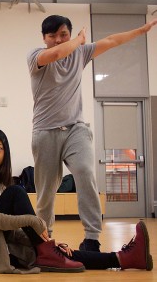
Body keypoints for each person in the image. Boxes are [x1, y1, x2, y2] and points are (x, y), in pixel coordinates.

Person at [27, 15, 157, 252]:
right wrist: (77, 40)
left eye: (63, 34)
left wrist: (141, 30)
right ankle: (45, 238)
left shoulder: (80, 52)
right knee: (46, 190)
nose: (57, 40)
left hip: (76, 128)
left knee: (86, 172)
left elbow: (112, 41)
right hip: (45, 131)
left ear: (70, 33)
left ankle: (91, 237)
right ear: (43, 38)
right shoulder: (36, 56)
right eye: (52, 36)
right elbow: (56, 54)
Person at [0, 127, 153, 274]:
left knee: (60, 252)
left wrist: (48, 242)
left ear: (5, 152)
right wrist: (31, 220)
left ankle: (123, 258)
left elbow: (7, 228)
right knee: (16, 192)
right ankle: (47, 250)